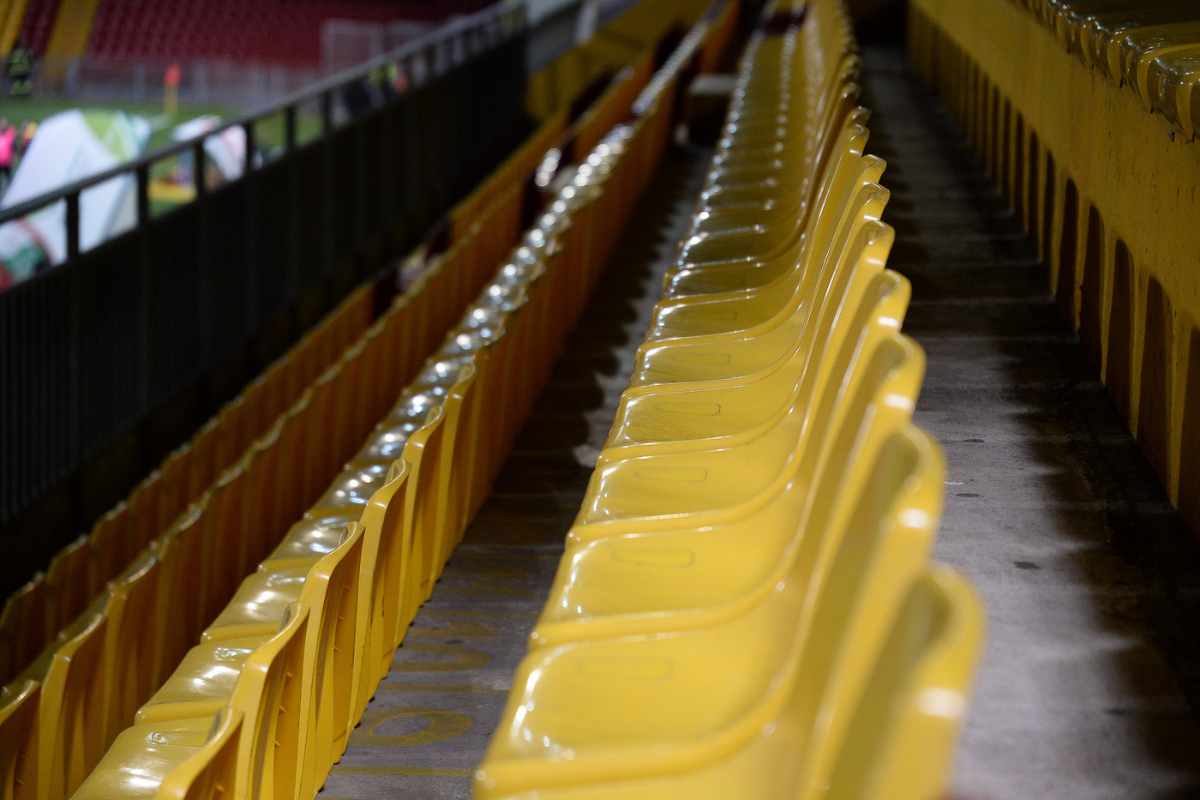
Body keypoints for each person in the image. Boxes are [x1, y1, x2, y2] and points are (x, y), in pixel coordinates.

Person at [0, 119, 16, 188]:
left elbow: (14, 147)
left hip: (7, 161)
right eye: (1, 124)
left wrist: (14, 157)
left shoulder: (10, 134)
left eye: (4, 124)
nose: (3, 126)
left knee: (10, 179)